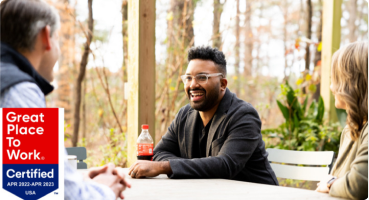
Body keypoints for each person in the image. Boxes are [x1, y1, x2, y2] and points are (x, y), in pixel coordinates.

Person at [0, 0, 131, 199]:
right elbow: (41, 192)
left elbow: (21, 187)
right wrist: (106, 190)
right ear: (46, 36)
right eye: (58, 38)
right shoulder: (17, 90)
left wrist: (73, 181)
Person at [129, 46, 278, 185]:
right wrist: (186, 166)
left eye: (202, 77)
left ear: (222, 84)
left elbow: (225, 165)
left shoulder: (243, 115)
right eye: (188, 78)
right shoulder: (184, 115)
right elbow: (160, 152)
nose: (193, 85)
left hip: (258, 194)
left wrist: (165, 166)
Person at [316, 42, 368, 200]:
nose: (331, 87)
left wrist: (331, 182)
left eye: (336, 79)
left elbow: (357, 185)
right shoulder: (350, 130)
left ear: (352, 83)